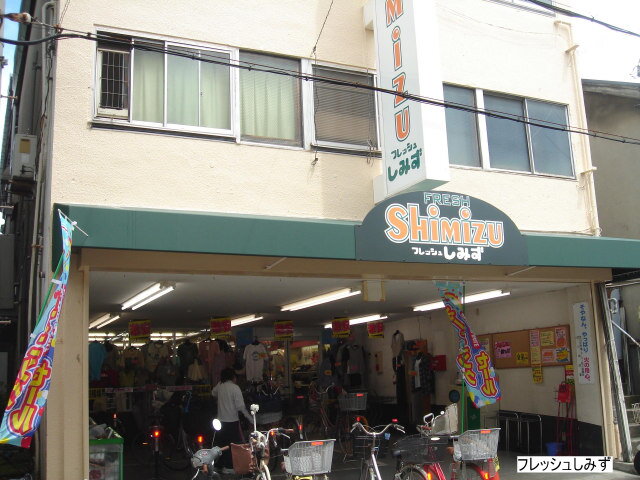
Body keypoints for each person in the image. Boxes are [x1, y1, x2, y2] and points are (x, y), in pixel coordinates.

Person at [211, 367, 252, 473]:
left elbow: (213, 393)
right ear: (233, 377)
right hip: (232, 421)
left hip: (220, 421)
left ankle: (218, 465)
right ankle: (229, 467)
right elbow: (240, 407)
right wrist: (250, 418)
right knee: (233, 444)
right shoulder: (235, 388)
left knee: (221, 443)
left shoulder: (220, 386)